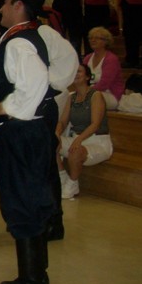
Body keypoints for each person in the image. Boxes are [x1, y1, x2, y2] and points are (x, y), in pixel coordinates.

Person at [0, 0, 54, 284]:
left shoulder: (20, 43)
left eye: (5, 3)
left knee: (24, 202)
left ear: (19, 6)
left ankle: (33, 283)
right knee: (24, 200)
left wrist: (6, 107)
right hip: (24, 133)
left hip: (23, 133)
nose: (0, 10)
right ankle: (32, 275)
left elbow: (36, 84)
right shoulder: (15, 40)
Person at [56, 64, 113, 200]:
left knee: (76, 151)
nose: (76, 74)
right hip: (78, 139)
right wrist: (56, 133)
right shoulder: (71, 97)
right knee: (50, 141)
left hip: (98, 142)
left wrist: (78, 139)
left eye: (79, 71)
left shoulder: (96, 95)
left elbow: (95, 124)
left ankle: (73, 184)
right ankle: (62, 177)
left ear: (87, 77)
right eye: (74, 71)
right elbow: (63, 121)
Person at [83, 27, 124, 110]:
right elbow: (82, 78)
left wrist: (86, 91)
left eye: (97, 38)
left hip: (110, 94)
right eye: (91, 38)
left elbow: (104, 84)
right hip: (90, 92)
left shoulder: (111, 59)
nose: (93, 40)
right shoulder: (87, 58)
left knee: (90, 98)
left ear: (106, 41)